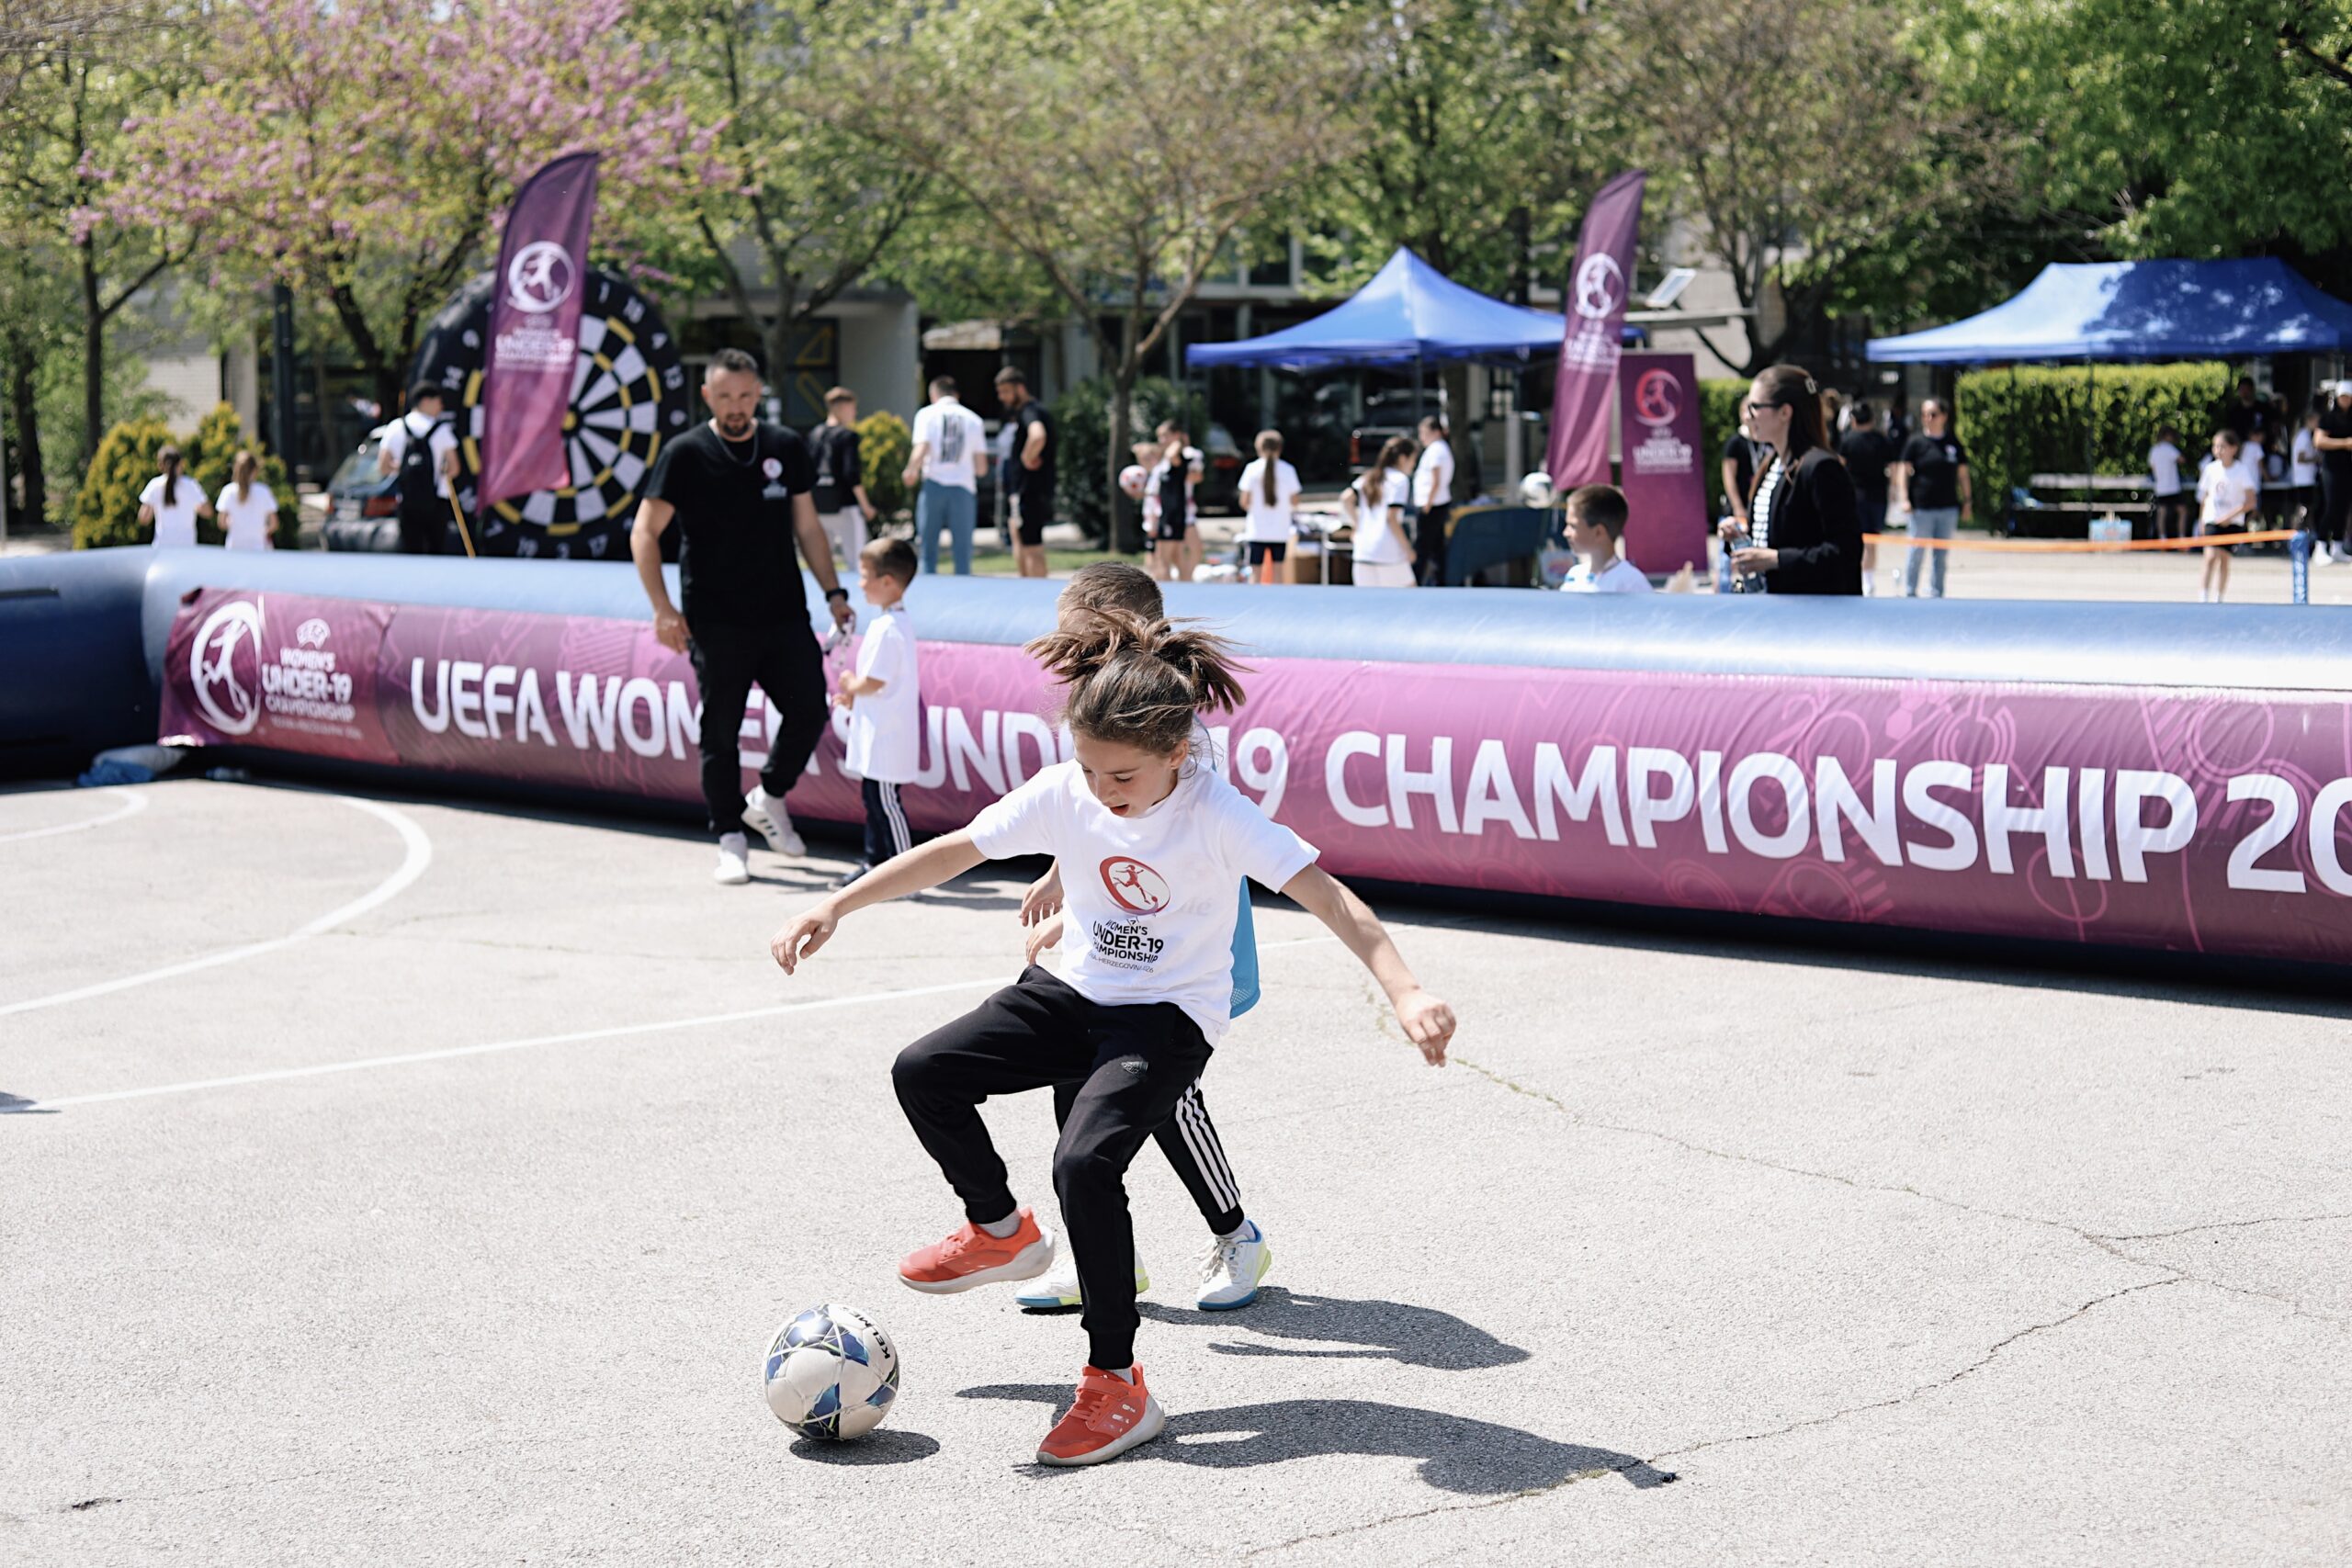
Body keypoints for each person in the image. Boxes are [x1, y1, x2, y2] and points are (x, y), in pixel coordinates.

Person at [767, 609, 1457, 1468]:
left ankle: (1116, 1381)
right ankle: (999, 1229)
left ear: (1177, 752)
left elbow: (1328, 896)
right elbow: (954, 851)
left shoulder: (1216, 812)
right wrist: (836, 903)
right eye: (1089, 768)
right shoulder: (1069, 790)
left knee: (1083, 1161)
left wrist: (1405, 987)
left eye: (1121, 773)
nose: (1101, 787)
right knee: (924, 1070)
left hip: (1166, 1017)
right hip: (1072, 989)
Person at [1012, 560, 1274, 1314]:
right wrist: (1069, 881)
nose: (1064, 652)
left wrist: (1083, 896)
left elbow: (1158, 847)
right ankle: (1100, 1260)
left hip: (1181, 939)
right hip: (1112, 933)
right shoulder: (1103, 713)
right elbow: (1097, 814)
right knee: (1074, 1073)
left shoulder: (1176, 735)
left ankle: (1237, 1231)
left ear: (1114, 635)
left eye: (1074, 636)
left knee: (1166, 1091)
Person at [629, 348, 856, 886]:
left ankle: (769, 796)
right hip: (714, 620)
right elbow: (644, 532)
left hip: (782, 613)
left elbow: (808, 528)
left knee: (809, 713)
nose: (737, 406)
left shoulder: (784, 446)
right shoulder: (685, 453)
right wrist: (662, 608)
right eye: (726, 396)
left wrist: (834, 591)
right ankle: (730, 838)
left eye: (746, 396)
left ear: (760, 395)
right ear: (707, 395)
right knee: (721, 731)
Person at [1724, 364, 1862, 595]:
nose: (1748, 416)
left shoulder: (1821, 467)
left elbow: (1846, 551)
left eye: (1755, 407)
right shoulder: (1772, 464)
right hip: (1775, 610)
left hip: (1811, 618)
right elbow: (1773, 537)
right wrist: (1739, 539)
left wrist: (1776, 559)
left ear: (1785, 412)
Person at [833, 536, 921, 890]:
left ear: (888, 582)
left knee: (887, 803)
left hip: (888, 734)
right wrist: (856, 698)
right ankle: (874, 862)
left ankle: (908, 873)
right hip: (877, 729)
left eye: (866, 575)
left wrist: (853, 685)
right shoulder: (888, 623)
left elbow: (874, 680)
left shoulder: (890, 628)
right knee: (873, 799)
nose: (860, 582)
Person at [904, 377, 989, 575]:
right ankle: (962, 594)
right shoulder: (974, 419)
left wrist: (910, 470)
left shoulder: (926, 414)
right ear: (956, 395)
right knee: (962, 551)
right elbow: (981, 468)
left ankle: (929, 592)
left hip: (933, 485)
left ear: (933, 394)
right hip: (963, 488)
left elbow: (922, 447)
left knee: (928, 549)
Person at [1891, 397, 1971, 598]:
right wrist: (1904, 498)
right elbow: (1903, 471)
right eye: (1925, 414)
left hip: (1947, 507)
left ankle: (1937, 593)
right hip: (1922, 508)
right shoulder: (1916, 442)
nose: (1928, 418)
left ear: (1944, 417)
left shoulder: (1953, 442)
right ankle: (1910, 592)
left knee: (1941, 555)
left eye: (1933, 414)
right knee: (1916, 552)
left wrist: (1967, 501)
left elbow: (1963, 474)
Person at [376, 383, 460, 556]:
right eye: (439, 402)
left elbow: (383, 467)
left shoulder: (396, 427)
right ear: (426, 401)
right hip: (437, 500)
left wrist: (404, 469)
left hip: (407, 500)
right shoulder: (442, 430)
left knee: (410, 552)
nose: (441, 407)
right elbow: (454, 468)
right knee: (436, 551)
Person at [809, 387, 876, 588]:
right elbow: (851, 474)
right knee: (857, 562)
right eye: (852, 408)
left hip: (819, 505)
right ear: (842, 407)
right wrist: (866, 505)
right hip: (845, 506)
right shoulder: (847, 436)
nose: (854, 413)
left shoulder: (815, 434)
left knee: (821, 562)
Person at [995, 367, 1056, 580]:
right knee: (1018, 536)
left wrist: (1026, 457)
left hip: (1030, 490)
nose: (1002, 397)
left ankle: (1036, 594)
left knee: (1032, 546)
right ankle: (1025, 587)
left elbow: (1038, 435)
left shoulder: (1031, 410)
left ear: (1020, 388)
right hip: (1022, 491)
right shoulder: (1025, 412)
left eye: (1006, 391)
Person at [1836, 401, 1898, 594]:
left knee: (1855, 538)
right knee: (1872, 540)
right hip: (1877, 495)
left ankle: (1860, 576)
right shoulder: (1881, 440)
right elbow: (1893, 467)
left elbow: (1840, 467)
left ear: (1853, 420)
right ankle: (1868, 579)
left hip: (1854, 495)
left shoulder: (1848, 440)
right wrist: (1894, 490)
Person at [1342, 434, 1418, 588]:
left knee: (1369, 607)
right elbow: (1391, 519)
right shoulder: (1400, 480)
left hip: (1363, 551)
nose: (1413, 465)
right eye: (1413, 460)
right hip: (1388, 552)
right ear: (1403, 459)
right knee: (1411, 600)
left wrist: (1357, 525)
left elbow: (1345, 499)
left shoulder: (1368, 477)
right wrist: (1408, 549)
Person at [2196, 429, 2254, 603]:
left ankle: (2219, 596)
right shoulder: (2210, 469)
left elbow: (2250, 501)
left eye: (2222, 446)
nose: (2218, 450)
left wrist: (2230, 516)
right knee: (2210, 556)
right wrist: (2202, 520)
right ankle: (2203, 595)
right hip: (2212, 518)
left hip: (2232, 521)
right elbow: (2205, 497)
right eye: (2215, 446)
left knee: (2224, 559)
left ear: (2233, 448)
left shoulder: (2241, 470)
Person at [1236, 429, 1301, 585]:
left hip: (1257, 530)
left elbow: (1244, 502)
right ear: (1280, 448)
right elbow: (1295, 501)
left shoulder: (1252, 469)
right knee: (1278, 571)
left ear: (1259, 447)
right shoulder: (1288, 470)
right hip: (1280, 529)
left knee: (1255, 573)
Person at [1559, 484, 1652, 592]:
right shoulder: (1575, 575)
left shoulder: (1631, 582)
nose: (1565, 533)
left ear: (1598, 532)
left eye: (1573, 526)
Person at [1143, 421, 1202, 584]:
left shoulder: (1184, 457)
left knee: (1181, 554)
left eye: (1164, 436)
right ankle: (1172, 589)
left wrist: (1179, 443)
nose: (1161, 440)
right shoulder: (1162, 463)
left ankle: (1184, 584)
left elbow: (1195, 475)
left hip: (1178, 513)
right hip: (1164, 514)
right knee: (1163, 558)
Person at [138, 444, 212, 547]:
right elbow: (208, 512)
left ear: (160, 465)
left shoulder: (154, 485)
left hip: (162, 546)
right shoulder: (191, 485)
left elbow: (144, 519)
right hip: (187, 546)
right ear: (182, 464)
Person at [1411, 414, 1454, 586]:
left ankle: (1415, 580)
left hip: (1432, 504)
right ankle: (1440, 581)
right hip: (1435, 503)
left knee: (1423, 547)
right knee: (1436, 548)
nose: (1421, 437)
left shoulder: (1437, 450)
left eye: (1424, 433)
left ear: (1436, 432)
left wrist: (1427, 504)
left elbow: (1435, 480)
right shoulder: (1439, 449)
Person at [2313, 381, 2352, 564]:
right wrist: (2344, 443)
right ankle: (2321, 544)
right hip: (2330, 468)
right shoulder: (2328, 417)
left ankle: (2337, 545)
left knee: (2344, 507)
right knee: (2330, 505)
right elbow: (2319, 441)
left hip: (2347, 468)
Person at [215, 451, 278, 552]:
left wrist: (233, 525)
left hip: (234, 548)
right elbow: (274, 523)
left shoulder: (228, 491)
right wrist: (262, 531)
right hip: (258, 549)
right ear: (255, 471)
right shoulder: (264, 491)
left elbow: (221, 523)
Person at [2148, 425, 2188, 542]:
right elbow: (2182, 460)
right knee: (2182, 511)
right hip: (2173, 486)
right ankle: (2181, 537)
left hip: (2160, 487)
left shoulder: (2154, 450)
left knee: (2162, 514)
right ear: (2168, 436)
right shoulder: (2170, 449)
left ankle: (2162, 538)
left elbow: (2152, 466)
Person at [2289, 400, 2322, 536]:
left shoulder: (2306, 435)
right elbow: (2300, 458)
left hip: (2307, 478)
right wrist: (2316, 458)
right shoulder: (2303, 436)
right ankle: (2294, 533)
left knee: (2307, 507)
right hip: (2303, 478)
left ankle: (2305, 533)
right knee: (2303, 508)